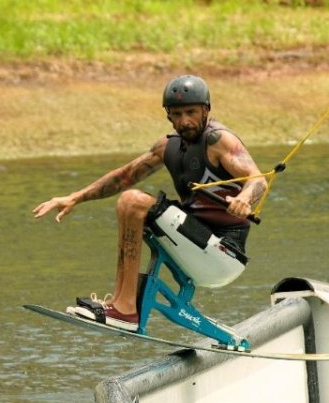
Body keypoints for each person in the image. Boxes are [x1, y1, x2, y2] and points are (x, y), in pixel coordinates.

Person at [32, 74, 268, 332]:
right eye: (176, 114)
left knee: (134, 201)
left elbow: (257, 180)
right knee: (127, 202)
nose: (184, 121)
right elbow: (124, 176)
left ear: (206, 110)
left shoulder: (218, 140)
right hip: (194, 243)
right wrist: (75, 197)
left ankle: (125, 310)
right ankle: (121, 305)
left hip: (223, 252)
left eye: (191, 112)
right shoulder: (168, 146)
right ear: (168, 115)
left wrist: (244, 199)